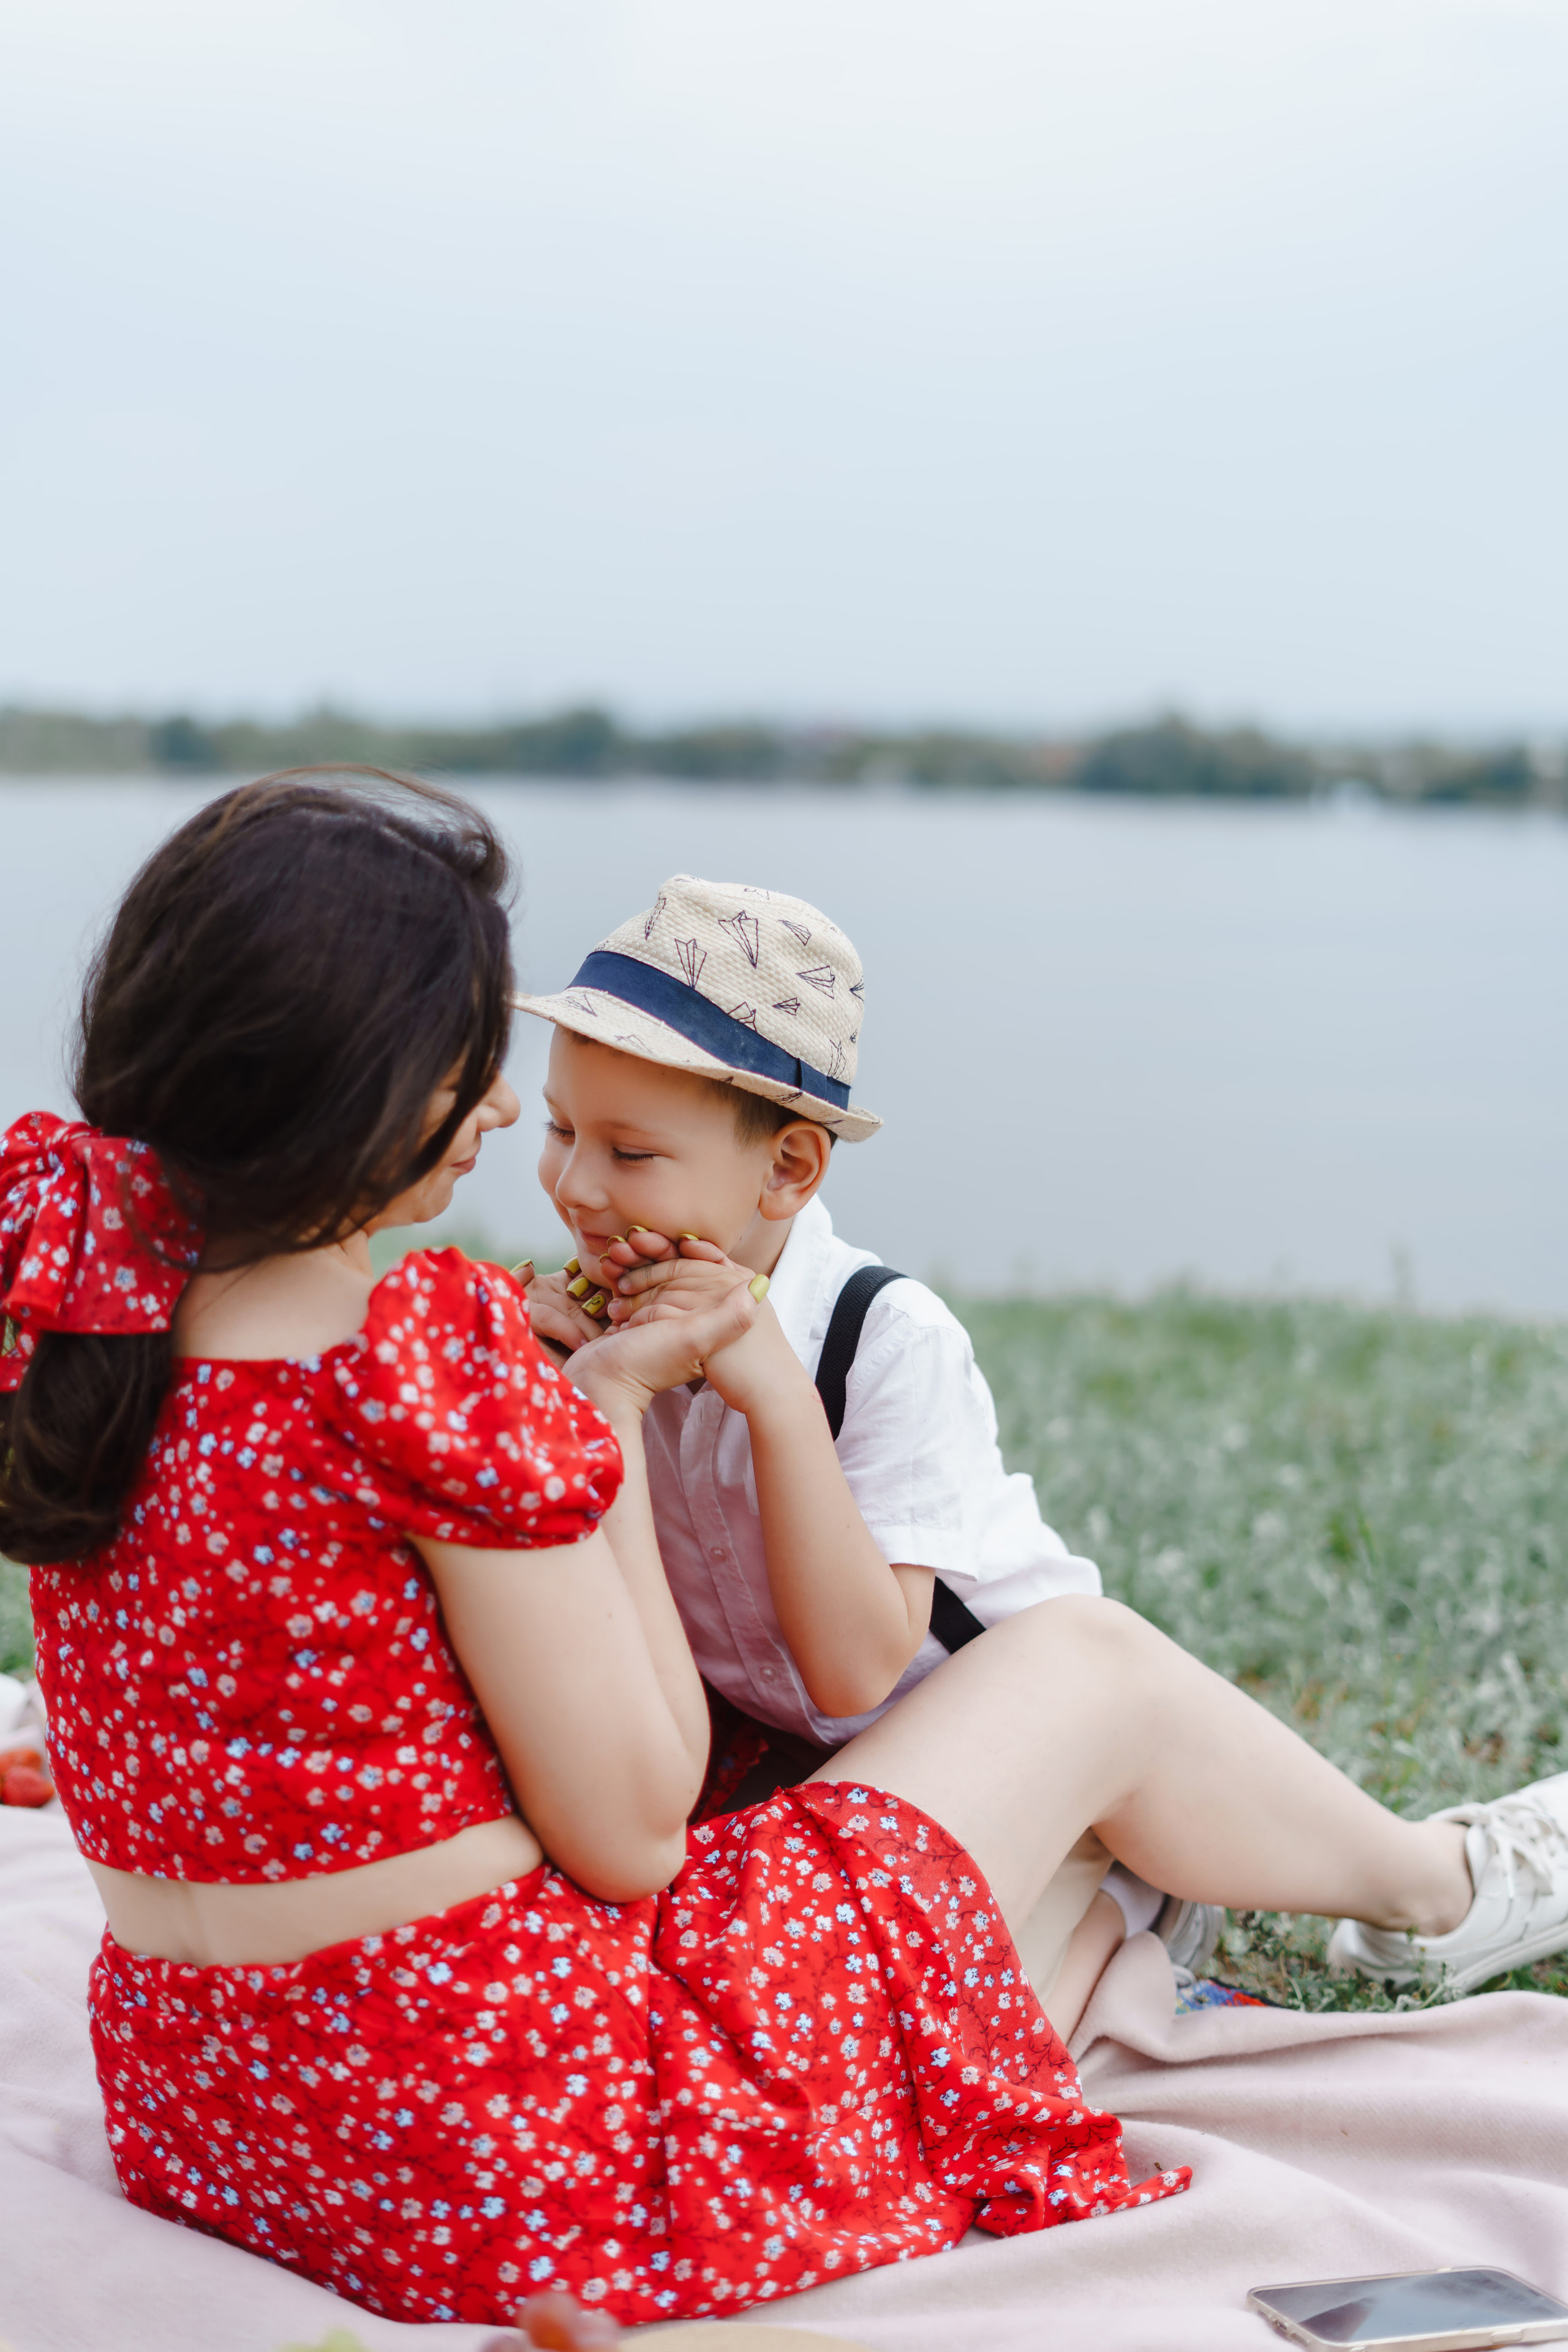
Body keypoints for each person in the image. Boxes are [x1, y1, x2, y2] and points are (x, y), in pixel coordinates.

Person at [4, 777, 1566, 2336]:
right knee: (1079, 1661)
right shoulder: (422, 1372)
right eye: (480, 1066)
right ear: (372, 1081)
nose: (496, 1121)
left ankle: (1265, 1898)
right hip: (512, 2164)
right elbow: (633, 1837)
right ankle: (1442, 1888)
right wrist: (595, 1435)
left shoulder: (82, 1323)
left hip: (219, 2123)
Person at [517, 874, 1210, 2013]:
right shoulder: (599, 1328)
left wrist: (780, 1399)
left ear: (789, 1168)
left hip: (1008, 1751)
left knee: (949, 2034)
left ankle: (1129, 1909)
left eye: (631, 1155)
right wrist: (577, 1401)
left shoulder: (882, 1335)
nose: (576, 1186)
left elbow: (854, 1675)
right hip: (802, 1766)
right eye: (559, 1130)